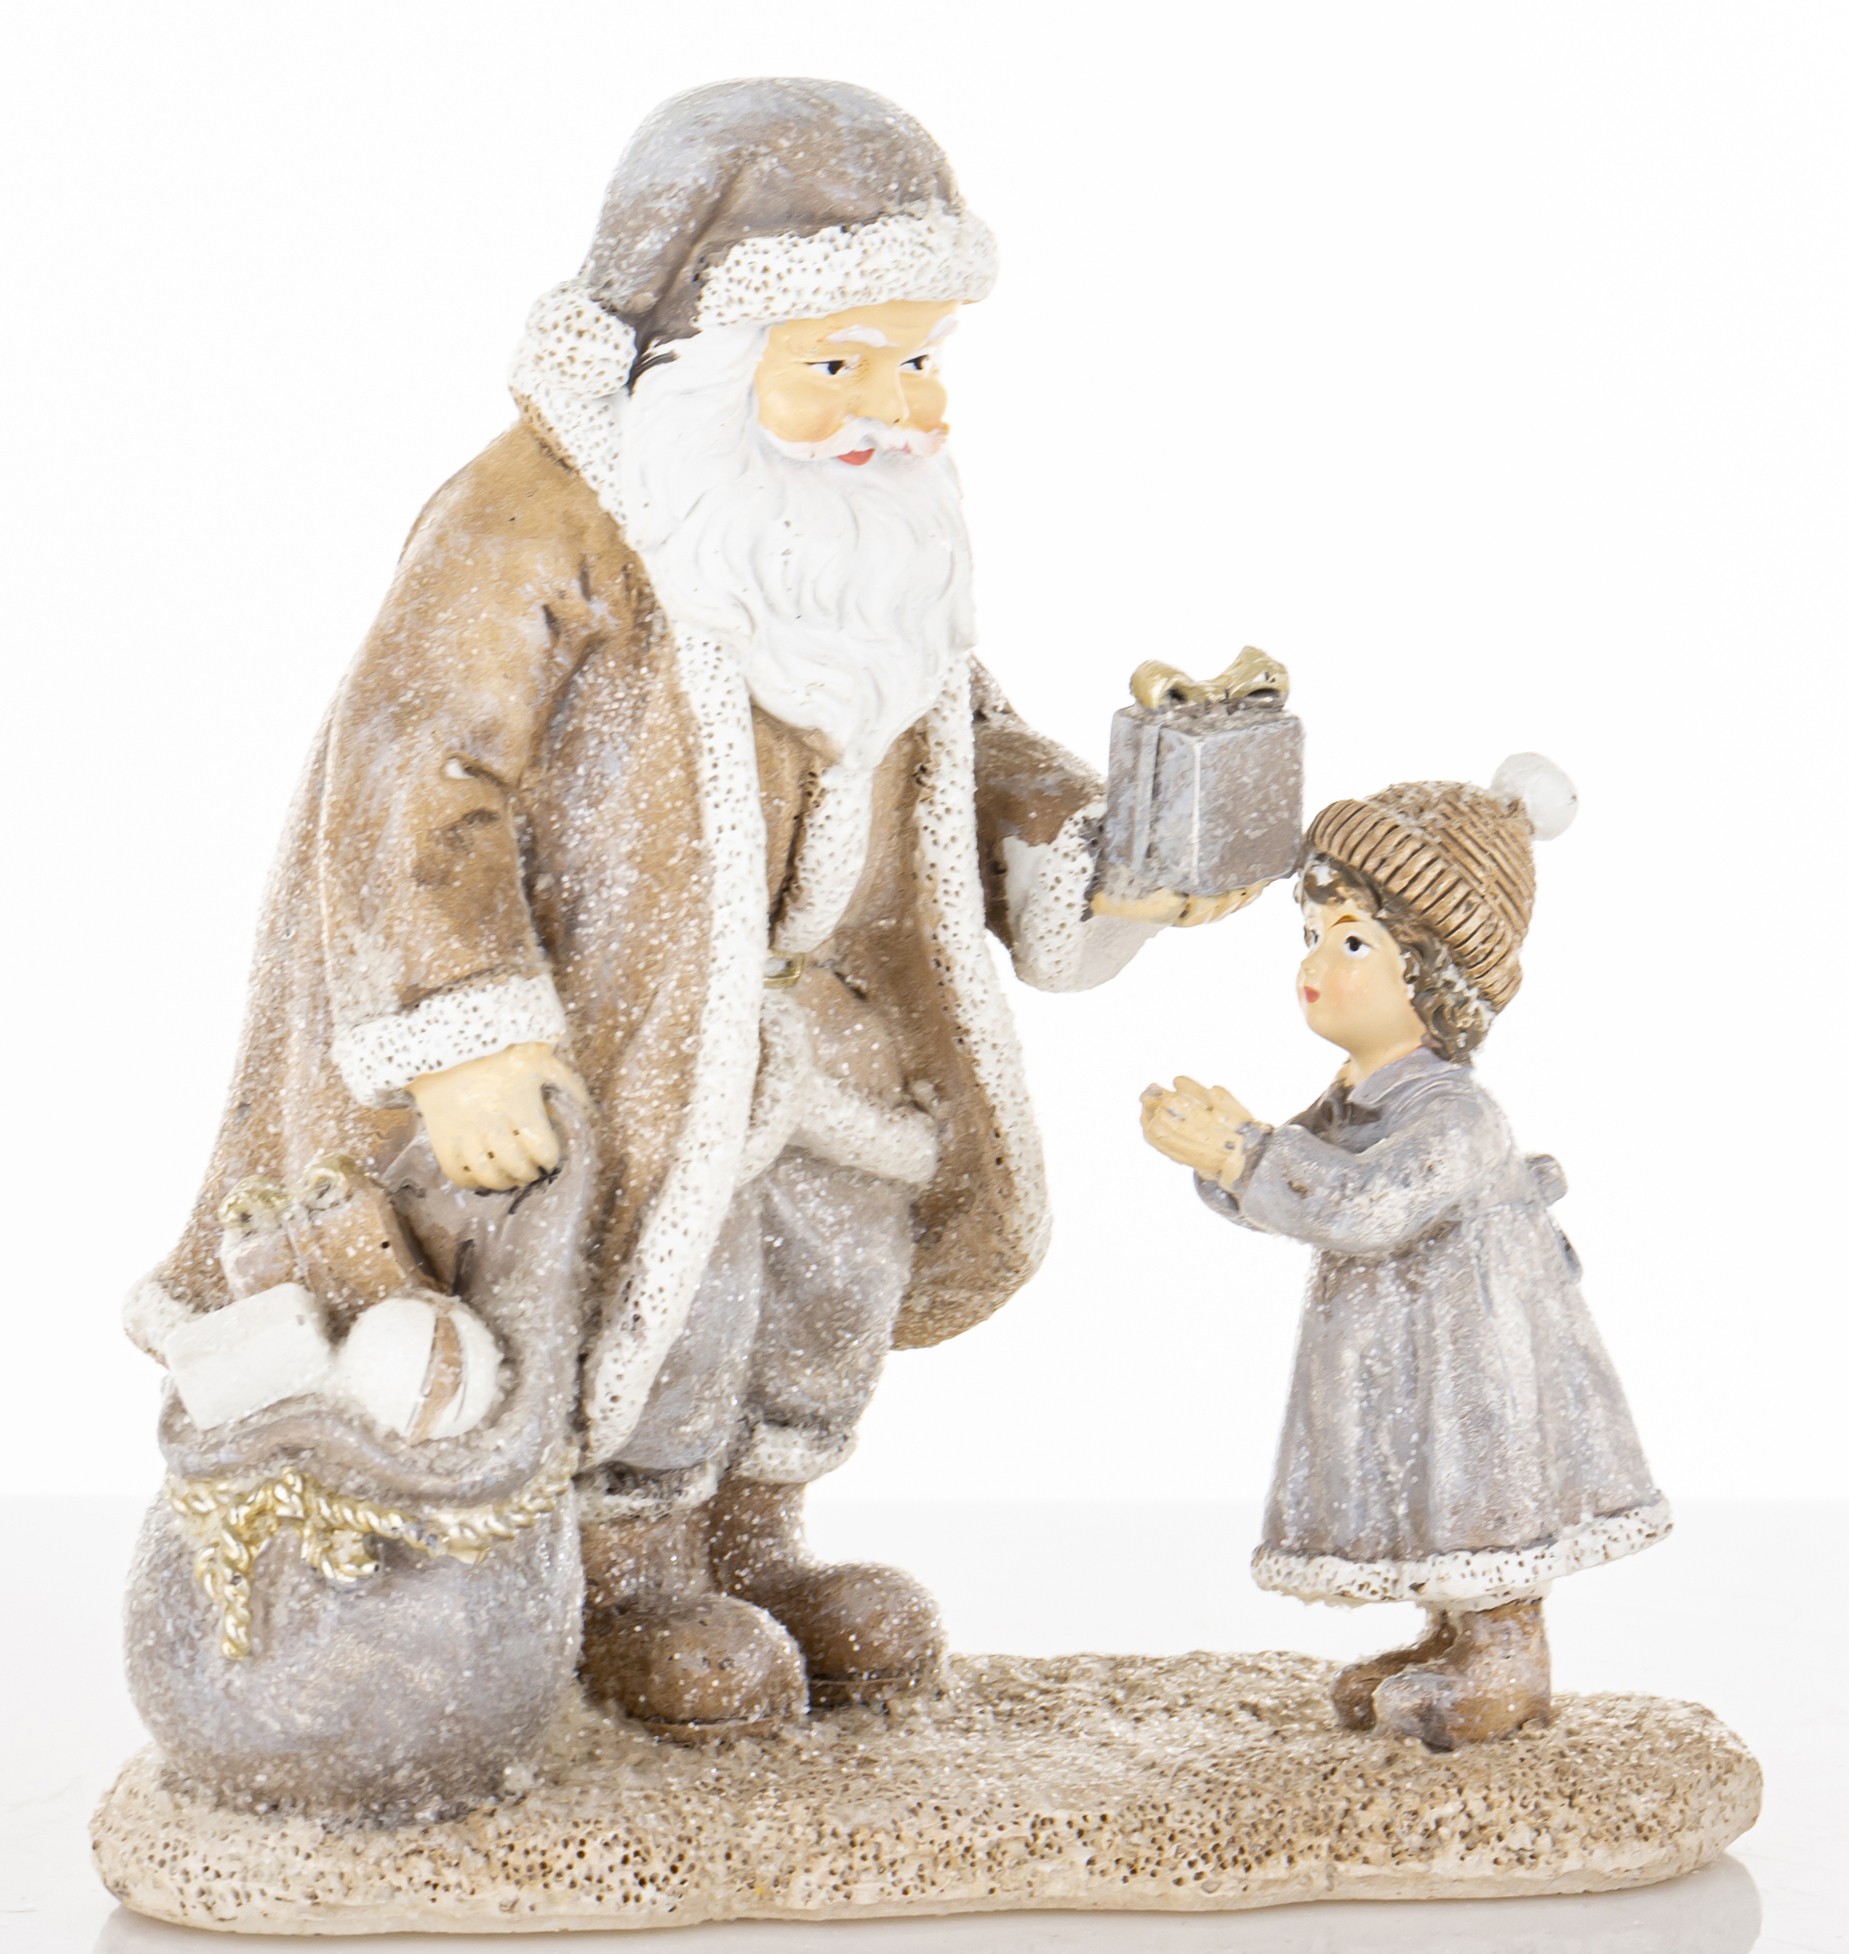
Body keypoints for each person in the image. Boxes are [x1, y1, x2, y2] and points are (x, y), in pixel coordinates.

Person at [126, 78, 1253, 1739]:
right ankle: (629, 1576)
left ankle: (756, 1542)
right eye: (840, 365)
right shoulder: (539, 519)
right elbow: (417, 774)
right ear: (707, 357)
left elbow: (956, 738)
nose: (899, 409)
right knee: (671, 1304)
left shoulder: (857, 540)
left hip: (832, 1043)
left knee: (821, 1295)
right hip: (635, 1040)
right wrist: (463, 1031)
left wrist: (1111, 851)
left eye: (920, 359)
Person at [1140, 756, 1669, 1748]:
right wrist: (1227, 1159)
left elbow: (1367, 1204)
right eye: (1311, 934)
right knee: (1424, 1485)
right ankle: (1450, 1638)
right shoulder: (1357, 1095)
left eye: (1352, 941)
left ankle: (1504, 1654)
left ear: (1432, 974)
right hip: (1402, 1353)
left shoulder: (1456, 1114)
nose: (1315, 962)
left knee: (1474, 1485)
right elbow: (1299, 1189)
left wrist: (1242, 1152)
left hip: (1470, 1363)